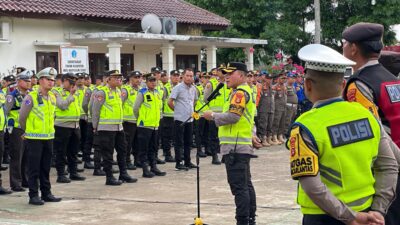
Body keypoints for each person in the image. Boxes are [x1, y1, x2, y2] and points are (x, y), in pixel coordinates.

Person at [289, 43, 398, 225]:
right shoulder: (367, 115)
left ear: (307, 85)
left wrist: (350, 216)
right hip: (369, 211)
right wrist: (379, 210)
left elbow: (312, 185)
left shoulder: (305, 126)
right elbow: (389, 166)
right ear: (343, 84)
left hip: (324, 217)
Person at [342, 22, 400, 225]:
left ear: (353, 48)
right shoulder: (392, 79)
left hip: (385, 168)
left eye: (345, 43)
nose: (343, 48)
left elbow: (370, 131)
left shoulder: (359, 84)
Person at [203, 62, 262, 225]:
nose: (226, 76)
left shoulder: (239, 93)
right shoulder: (239, 92)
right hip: (239, 145)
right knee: (245, 185)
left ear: (242, 75)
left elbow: (233, 117)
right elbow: (247, 119)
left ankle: (243, 221)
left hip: (235, 147)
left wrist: (213, 115)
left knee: (239, 188)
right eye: (225, 74)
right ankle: (250, 219)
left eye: (231, 73)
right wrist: (252, 134)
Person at [19, 67, 62, 205]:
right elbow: (22, 118)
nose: (51, 82)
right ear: (41, 80)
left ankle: (46, 193)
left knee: (45, 168)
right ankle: (33, 195)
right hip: (34, 139)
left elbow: (52, 116)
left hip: (48, 137)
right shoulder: (30, 97)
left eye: (53, 80)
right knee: (34, 169)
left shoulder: (52, 97)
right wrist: (28, 131)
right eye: (48, 80)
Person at [91, 70, 137, 185]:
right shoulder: (102, 92)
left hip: (118, 127)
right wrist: (95, 127)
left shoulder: (118, 91)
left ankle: (123, 173)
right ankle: (109, 177)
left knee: (122, 150)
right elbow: (95, 110)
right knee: (108, 154)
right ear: (108, 79)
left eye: (119, 78)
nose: (119, 80)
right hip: (106, 128)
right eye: (116, 78)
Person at [52, 73, 86, 183]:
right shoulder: (56, 92)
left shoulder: (74, 92)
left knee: (73, 151)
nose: (72, 85)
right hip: (62, 126)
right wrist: (71, 95)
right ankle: (61, 174)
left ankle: (73, 172)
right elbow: (62, 106)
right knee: (61, 152)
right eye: (70, 82)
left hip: (75, 125)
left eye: (74, 83)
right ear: (64, 81)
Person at [134, 74, 166, 178]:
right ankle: (145, 169)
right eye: (151, 81)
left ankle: (154, 167)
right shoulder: (142, 92)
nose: (153, 82)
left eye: (154, 81)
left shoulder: (157, 93)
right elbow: (135, 108)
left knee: (154, 147)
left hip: (155, 125)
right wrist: (141, 119)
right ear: (146, 82)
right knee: (144, 148)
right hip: (145, 126)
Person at [4, 70, 32, 192]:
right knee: (17, 157)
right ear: (19, 82)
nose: (29, 83)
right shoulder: (12, 96)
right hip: (16, 129)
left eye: (29, 81)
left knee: (26, 156)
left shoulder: (31, 94)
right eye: (26, 81)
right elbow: (5, 112)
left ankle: (25, 180)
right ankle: (16, 183)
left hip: (28, 129)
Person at [168, 68, 198, 170]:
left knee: (188, 141)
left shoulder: (193, 88)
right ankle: (179, 162)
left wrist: (190, 111)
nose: (189, 78)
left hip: (190, 119)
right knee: (179, 142)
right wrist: (177, 111)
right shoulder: (178, 88)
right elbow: (170, 102)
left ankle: (187, 161)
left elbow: (195, 101)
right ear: (183, 76)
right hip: (180, 120)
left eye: (191, 76)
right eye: (187, 76)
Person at [204, 66, 230, 164]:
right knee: (213, 136)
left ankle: (224, 155)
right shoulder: (212, 83)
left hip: (225, 114)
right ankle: (214, 156)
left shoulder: (229, 83)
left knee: (224, 136)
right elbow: (205, 99)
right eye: (221, 71)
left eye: (225, 71)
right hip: (214, 114)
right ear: (217, 72)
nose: (223, 73)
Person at [121, 71, 141, 170]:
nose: (138, 79)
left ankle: (137, 160)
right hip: (128, 121)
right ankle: (127, 161)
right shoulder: (126, 90)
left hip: (138, 120)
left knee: (137, 142)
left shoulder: (141, 90)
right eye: (136, 77)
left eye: (139, 77)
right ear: (130, 79)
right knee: (128, 143)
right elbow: (120, 104)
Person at [161, 70, 180, 162]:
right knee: (167, 136)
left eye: (177, 75)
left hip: (179, 115)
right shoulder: (166, 87)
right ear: (170, 77)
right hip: (168, 116)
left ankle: (179, 154)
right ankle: (167, 154)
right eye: (174, 75)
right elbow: (162, 100)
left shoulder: (181, 87)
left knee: (178, 136)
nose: (176, 77)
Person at [256, 71, 277, 146]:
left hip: (271, 109)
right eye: (268, 79)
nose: (270, 80)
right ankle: (263, 139)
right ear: (265, 79)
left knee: (270, 124)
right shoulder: (261, 87)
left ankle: (269, 138)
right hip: (263, 109)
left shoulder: (272, 87)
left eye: (271, 79)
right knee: (263, 124)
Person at [194, 72, 210, 158]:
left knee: (207, 133)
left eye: (208, 77)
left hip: (207, 114)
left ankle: (207, 149)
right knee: (199, 133)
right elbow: (194, 101)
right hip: (199, 114)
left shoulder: (209, 88)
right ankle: (199, 150)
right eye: (205, 77)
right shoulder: (197, 88)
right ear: (200, 79)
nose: (207, 79)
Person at [271, 73, 287, 144]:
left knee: (282, 122)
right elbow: (273, 98)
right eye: (282, 78)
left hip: (284, 107)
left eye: (284, 78)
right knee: (276, 122)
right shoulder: (274, 87)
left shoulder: (284, 86)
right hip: (277, 107)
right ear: (278, 79)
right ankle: (274, 136)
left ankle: (280, 135)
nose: (284, 80)